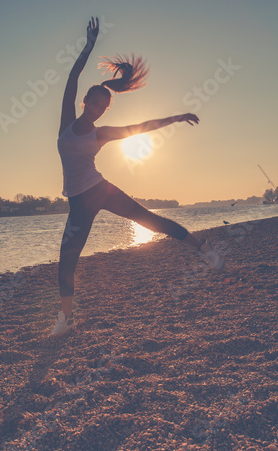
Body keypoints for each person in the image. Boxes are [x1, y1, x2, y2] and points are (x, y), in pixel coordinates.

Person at [51, 17, 224, 338]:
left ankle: (204, 248)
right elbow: (73, 75)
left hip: (100, 190)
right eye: (94, 104)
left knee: (148, 220)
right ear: (84, 102)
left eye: (103, 107)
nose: (97, 110)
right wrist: (88, 45)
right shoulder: (66, 121)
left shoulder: (101, 134)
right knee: (66, 262)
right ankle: (66, 320)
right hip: (77, 203)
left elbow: (141, 127)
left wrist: (177, 116)